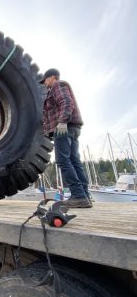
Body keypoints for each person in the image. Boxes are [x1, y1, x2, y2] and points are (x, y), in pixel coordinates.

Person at [39, 68, 92, 208]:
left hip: (64, 127)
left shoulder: (58, 85)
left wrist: (61, 123)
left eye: (45, 80)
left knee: (63, 160)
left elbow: (66, 102)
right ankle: (84, 196)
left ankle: (78, 195)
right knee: (74, 161)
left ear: (51, 78)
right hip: (73, 128)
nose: (44, 83)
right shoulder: (60, 86)